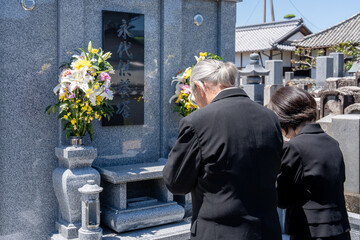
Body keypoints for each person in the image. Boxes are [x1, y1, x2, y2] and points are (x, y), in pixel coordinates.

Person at [163, 59, 283, 240]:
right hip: (266, 230)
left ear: (199, 87)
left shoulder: (198, 122)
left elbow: (176, 183)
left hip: (219, 231)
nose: (195, 100)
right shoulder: (270, 117)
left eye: (194, 94)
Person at [267, 86, 351, 240]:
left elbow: (282, 198)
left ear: (284, 119)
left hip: (309, 231)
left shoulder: (294, 148)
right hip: (340, 229)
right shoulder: (332, 143)